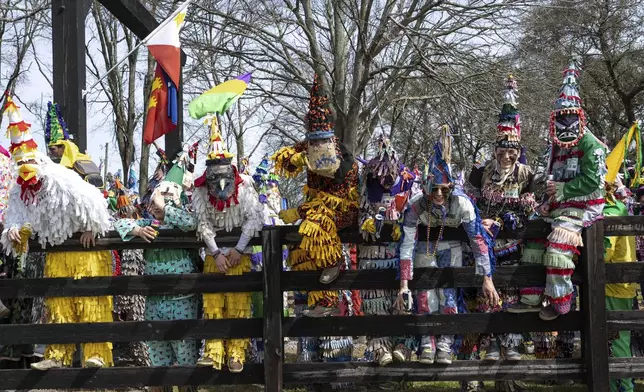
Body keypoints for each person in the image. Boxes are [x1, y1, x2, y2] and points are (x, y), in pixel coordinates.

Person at [1, 96, 113, 370]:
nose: (26, 168)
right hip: (56, 253)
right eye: (20, 163)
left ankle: (94, 354)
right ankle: (58, 355)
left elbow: (95, 202)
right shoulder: (20, 189)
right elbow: (16, 216)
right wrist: (14, 230)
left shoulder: (62, 180)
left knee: (91, 301)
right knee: (59, 304)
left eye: (29, 161)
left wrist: (92, 227)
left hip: (85, 252)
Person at [509, 60, 607, 321]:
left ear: (579, 116)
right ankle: (530, 296)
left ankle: (561, 301)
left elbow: (594, 182)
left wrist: (563, 190)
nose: (565, 123)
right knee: (531, 233)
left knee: (559, 243)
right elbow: (552, 179)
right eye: (561, 118)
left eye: (570, 117)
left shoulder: (592, 145)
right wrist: (546, 201)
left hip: (584, 206)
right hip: (560, 203)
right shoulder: (556, 145)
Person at [399, 125, 499, 365]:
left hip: (452, 246)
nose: (440, 195)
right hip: (425, 247)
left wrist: (487, 277)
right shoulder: (415, 206)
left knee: (448, 295)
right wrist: (403, 284)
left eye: (445, 190)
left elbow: (478, 241)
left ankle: (444, 343)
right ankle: (426, 343)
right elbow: (406, 244)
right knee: (424, 296)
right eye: (435, 190)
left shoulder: (463, 204)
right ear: (426, 189)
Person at [465, 75, 537, 392]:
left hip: (512, 246)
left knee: (509, 300)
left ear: (518, 149)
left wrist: (507, 219)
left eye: (512, 149)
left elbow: (533, 211)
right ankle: (479, 366)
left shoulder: (526, 174)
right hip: (483, 245)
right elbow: (465, 204)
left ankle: (509, 372)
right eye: (502, 148)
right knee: (483, 299)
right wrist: (484, 221)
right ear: (495, 149)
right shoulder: (480, 172)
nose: (506, 154)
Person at [272, 74, 360, 317]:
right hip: (315, 209)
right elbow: (284, 159)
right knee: (300, 246)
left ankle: (334, 262)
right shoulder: (307, 144)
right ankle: (322, 300)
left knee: (316, 223)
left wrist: (301, 211)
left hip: (340, 211)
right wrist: (295, 158)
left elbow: (341, 178)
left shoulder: (341, 152)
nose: (316, 138)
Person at [115, 150, 199, 374]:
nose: (155, 207)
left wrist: (167, 210)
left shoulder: (181, 221)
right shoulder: (147, 224)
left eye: (160, 202)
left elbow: (193, 223)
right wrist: (137, 229)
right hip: (154, 301)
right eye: (154, 203)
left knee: (185, 354)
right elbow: (118, 224)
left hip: (182, 299)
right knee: (158, 353)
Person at [192, 119, 264, 372]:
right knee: (213, 305)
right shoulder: (199, 192)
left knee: (238, 304)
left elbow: (254, 217)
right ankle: (213, 352)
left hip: (238, 257)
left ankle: (237, 355)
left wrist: (239, 249)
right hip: (215, 258)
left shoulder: (245, 189)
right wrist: (215, 252)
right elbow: (202, 223)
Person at [358, 135, 417, 366]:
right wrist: (367, 222)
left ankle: (402, 344)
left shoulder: (406, 185)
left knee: (400, 300)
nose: (386, 179)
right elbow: (360, 213)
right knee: (375, 300)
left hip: (397, 253)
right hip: (371, 254)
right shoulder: (366, 186)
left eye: (390, 175)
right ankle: (380, 347)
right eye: (381, 175)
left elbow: (413, 215)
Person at [44, 102, 103, 189]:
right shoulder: (84, 159)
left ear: (63, 147)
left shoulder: (73, 167)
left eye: (53, 149)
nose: (51, 152)